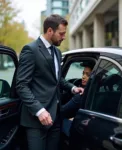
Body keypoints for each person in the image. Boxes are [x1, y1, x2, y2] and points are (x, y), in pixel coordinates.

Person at [16, 14, 84, 150]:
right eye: (61, 33)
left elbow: (57, 80)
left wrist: (72, 88)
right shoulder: (31, 50)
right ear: (50, 31)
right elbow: (21, 85)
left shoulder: (57, 53)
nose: (64, 37)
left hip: (56, 116)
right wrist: (39, 110)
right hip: (36, 120)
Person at [61, 62, 94, 136]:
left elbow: (62, 111)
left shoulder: (81, 95)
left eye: (88, 75)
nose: (83, 77)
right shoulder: (96, 92)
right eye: (83, 73)